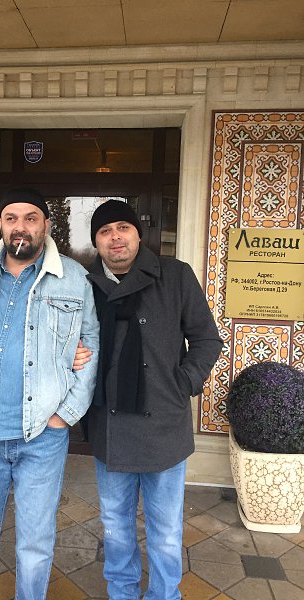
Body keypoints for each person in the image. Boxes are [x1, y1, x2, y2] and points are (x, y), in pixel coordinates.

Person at [0, 188, 99, 600]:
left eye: (30, 218)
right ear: (0, 224)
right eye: (11, 218)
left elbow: (92, 345)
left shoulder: (75, 278)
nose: (20, 227)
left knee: (35, 545)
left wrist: (65, 415)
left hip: (41, 436)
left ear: (46, 225)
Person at [79, 200, 222, 600]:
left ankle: (164, 595)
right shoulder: (85, 284)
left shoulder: (175, 276)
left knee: (166, 529)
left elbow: (207, 339)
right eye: (105, 231)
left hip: (164, 425)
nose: (115, 237)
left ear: (138, 235)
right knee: (115, 525)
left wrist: (183, 383)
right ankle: (122, 593)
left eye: (122, 227)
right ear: (96, 242)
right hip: (110, 428)